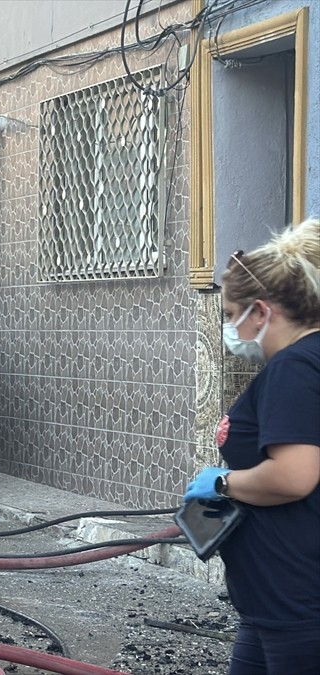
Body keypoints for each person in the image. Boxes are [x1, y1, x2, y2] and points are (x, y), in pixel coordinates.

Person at [182, 220, 320, 674]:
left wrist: (223, 483)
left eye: (229, 314)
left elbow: (294, 476)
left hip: (296, 597)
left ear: (260, 312)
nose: (228, 326)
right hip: (273, 599)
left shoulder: (294, 369)